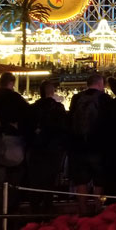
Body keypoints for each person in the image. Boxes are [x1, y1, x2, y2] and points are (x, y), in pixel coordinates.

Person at [0, 72, 31, 211]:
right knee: (14, 178)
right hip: (12, 141)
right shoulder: (15, 99)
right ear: (12, 83)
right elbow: (28, 117)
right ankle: (11, 209)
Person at [68, 73, 110, 213]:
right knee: (100, 180)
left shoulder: (76, 98)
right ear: (100, 84)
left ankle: (83, 210)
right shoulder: (104, 99)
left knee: (81, 180)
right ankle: (98, 208)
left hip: (78, 145)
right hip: (98, 145)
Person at [25, 80, 67, 212]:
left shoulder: (33, 108)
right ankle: (48, 204)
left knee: (36, 178)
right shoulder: (58, 108)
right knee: (50, 178)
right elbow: (63, 128)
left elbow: (27, 129)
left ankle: (35, 205)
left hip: (37, 147)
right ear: (53, 92)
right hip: (53, 148)